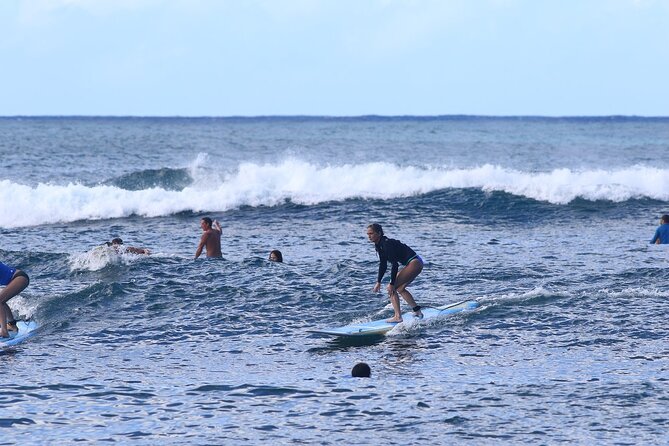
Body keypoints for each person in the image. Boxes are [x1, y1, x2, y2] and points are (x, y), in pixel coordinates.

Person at [367, 223, 424, 323]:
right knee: (400, 288)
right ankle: (417, 311)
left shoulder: (386, 244)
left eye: (371, 233)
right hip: (415, 263)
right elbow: (383, 264)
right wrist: (378, 281)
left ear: (379, 233)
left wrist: (392, 283)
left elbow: (395, 265)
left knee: (391, 288)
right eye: (368, 234)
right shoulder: (379, 245)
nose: (369, 236)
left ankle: (398, 317)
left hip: (414, 263)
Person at [0, 261, 29, 338]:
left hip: (20, 278)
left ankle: (4, 332)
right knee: (1, 300)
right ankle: (12, 325)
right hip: (16, 279)